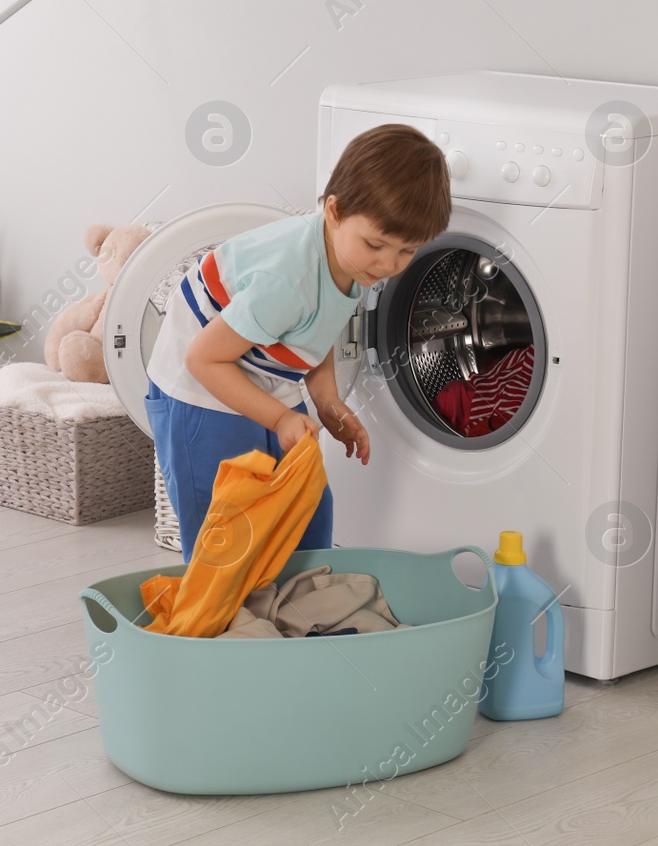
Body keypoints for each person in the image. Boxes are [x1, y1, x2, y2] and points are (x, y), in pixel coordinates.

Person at [146, 124, 452, 560]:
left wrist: (325, 398)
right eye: (376, 245)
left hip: (260, 368)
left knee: (305, 512)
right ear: (334, 211)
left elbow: (318, 324)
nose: (388, 264)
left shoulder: (351, 259)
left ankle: (301, 608)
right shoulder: (287, 280)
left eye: (407, 252)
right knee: (227, 535)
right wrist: (279, 419)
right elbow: (203, 359)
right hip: (202, 392)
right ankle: (222, 624)